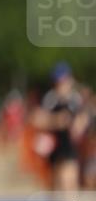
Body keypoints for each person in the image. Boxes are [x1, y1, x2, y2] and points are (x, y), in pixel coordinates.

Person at [31, 62, 86, 191]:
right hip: (54, 148)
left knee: (69, 181)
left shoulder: (75, 99)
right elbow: (37, 119)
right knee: (57, 184)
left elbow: (82, 119)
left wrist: (78, 125)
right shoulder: (50, 98)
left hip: (70, 148)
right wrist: (57, 121)